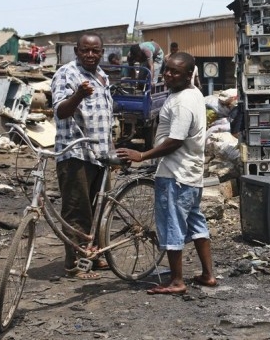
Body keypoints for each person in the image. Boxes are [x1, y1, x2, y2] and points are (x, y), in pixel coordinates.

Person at [116, 52, 216, 294]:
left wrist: (142, 155)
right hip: (190, 175)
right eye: (167, 70)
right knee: (196, 223)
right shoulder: (192, 94)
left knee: (172, 225)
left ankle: (177, 281)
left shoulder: (183, 101)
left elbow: (175, 140)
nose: (169, 75)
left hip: (176, 174)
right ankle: (208, 275)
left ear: (189, 74)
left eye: (176, 72)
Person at [51, 33, 114, 280]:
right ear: (76, 51)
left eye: (95, 51)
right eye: (85, 51)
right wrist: (78, 95)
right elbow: (61, 112)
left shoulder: (103, 76)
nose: (90, 55)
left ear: (102, 51)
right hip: (76, 152)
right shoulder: (67, 74)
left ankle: (93, 256)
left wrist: (112, 149)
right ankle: (74, 264)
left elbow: (106, 118)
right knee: (77, 211)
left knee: (100, 209)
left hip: (101, 154)